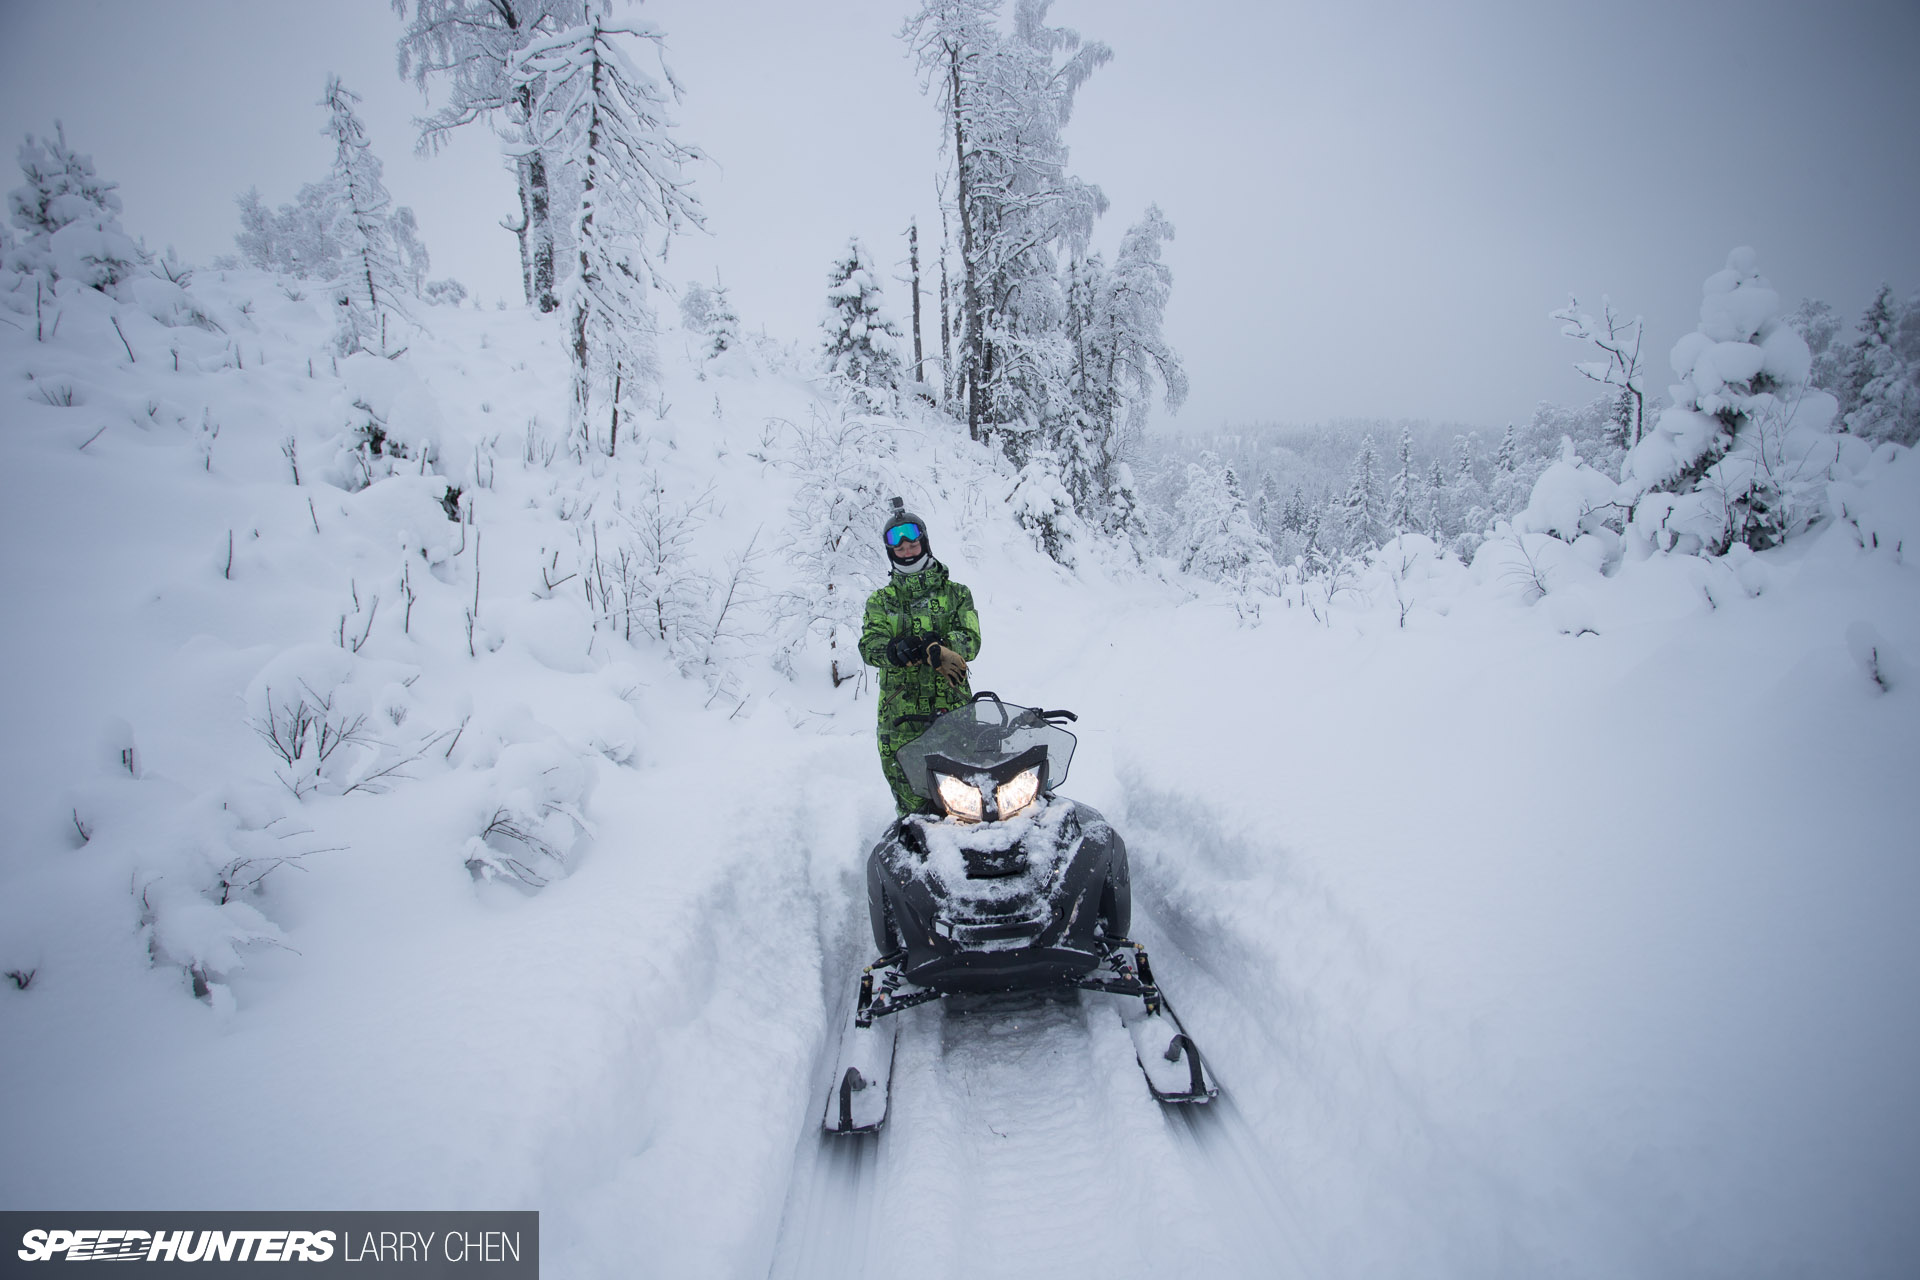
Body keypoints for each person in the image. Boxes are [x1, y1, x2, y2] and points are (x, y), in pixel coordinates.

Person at [859, 498, 980, 816]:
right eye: (898, 545)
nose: (907, 548)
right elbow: (870, 645)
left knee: (968, 796)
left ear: (924, 541)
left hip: (954, 711)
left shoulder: (957, 594)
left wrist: (941, 647)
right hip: (901, 718)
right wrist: (895, 650)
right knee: (913, 802)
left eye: (912, 541)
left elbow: (971, 640)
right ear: (890, 551)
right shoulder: (881, 601)